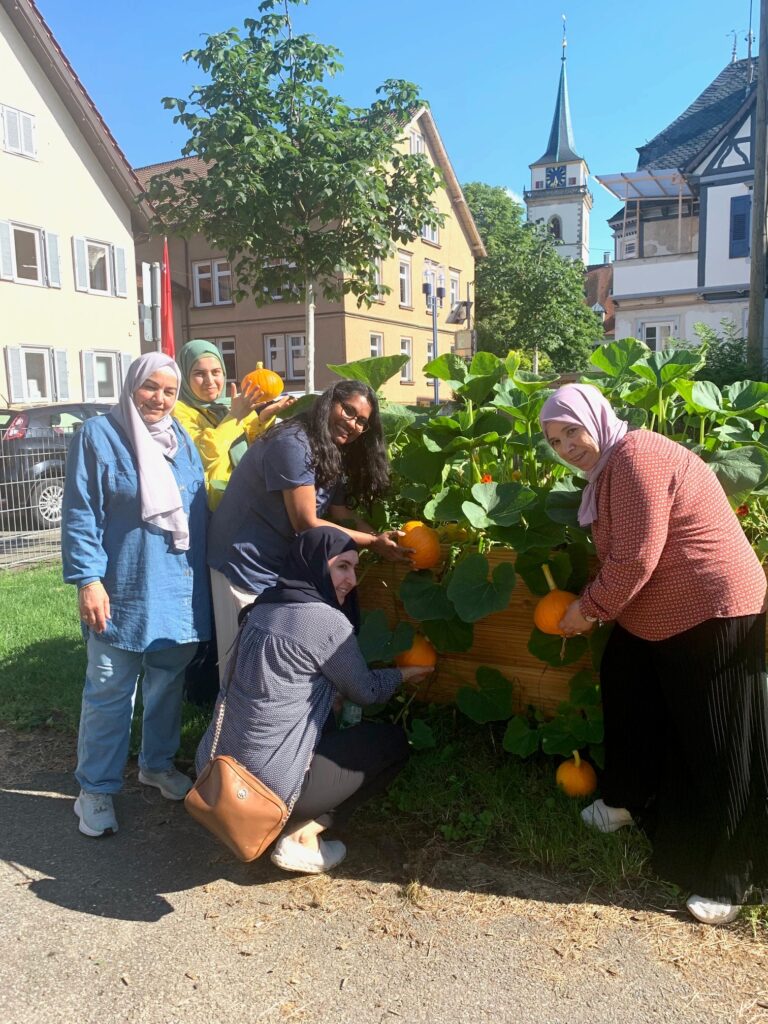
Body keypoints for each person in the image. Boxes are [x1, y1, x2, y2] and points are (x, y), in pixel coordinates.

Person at [540, 382, 768, 925]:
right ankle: (627, 799)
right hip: (658, 607)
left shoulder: (638, 456)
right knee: (626, 685)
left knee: (720, 738)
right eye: (555, 440)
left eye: (572, 431)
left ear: (598, 418)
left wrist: (588, 610)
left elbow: (637, 558)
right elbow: (629, 558)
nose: (567, 446)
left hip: (715, 607)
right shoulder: (611, 467)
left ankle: (734, 876)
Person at [195, 526, 432, 873]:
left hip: (216, 772)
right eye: (342, 567)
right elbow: (365, 692)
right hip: (268, 788)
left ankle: (289, 816)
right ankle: (302, 833)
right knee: (392, 742)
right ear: (316, 565)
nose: (352, 579)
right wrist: (405, 674)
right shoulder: (326, 622)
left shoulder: (262, 608)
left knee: (326, 719)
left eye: (354, 568)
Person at [62, 352, 211, 838]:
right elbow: (82, 512)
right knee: (109, 690)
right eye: (151, 387)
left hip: (177, 587)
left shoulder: (181, 438)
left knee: (167, 681)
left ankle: (156, 764)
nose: (160, 398)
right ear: (132, 386)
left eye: (169, 391)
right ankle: (97, 790)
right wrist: (88, 579)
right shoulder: (98, 435)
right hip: (121, 586)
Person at [207, 379, 412, 680]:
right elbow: (305, 521)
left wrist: (385, 538)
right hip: (242, 560)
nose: (353, 424)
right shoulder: (293, 442)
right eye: (349, 411)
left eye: (362, 422)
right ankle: (231, 725)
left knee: (268, 664)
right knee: (242, 665)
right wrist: (372, 542)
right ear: (329, 402)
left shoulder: (330, 451)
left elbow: (341, 514)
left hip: (274, 562)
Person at [173, 339, 295, 511]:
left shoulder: (231, 404)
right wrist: (234, 416)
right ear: (184, 377)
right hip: (209, 506)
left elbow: (255, 444)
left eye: (216, 372)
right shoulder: (178, 410)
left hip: (246, 498)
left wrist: (263, 419)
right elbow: (203, 454)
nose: (210, 381)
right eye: (199, 374)